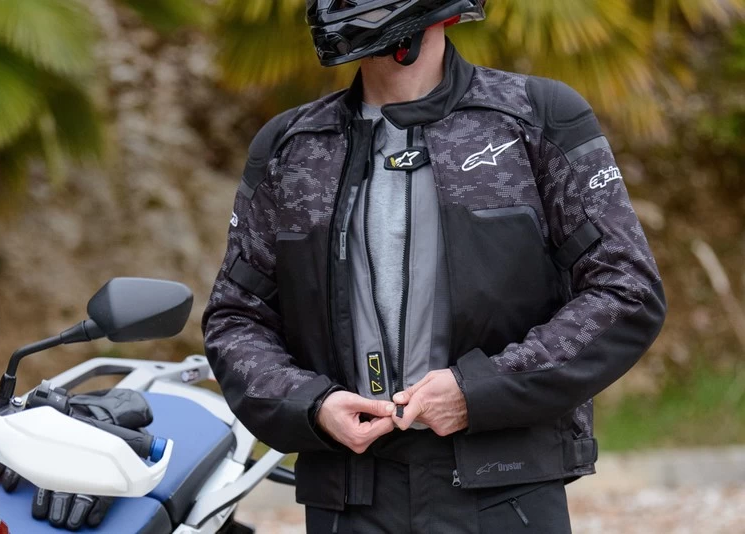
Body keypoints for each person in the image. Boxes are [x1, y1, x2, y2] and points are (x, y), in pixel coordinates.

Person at [202, 1, 666, 532]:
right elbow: (236, 317)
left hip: (503, 488)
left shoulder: (534, 116)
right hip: (349, 496)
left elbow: (627, 289)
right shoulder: (292, 146)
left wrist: (480, 391)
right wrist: (313, 405)